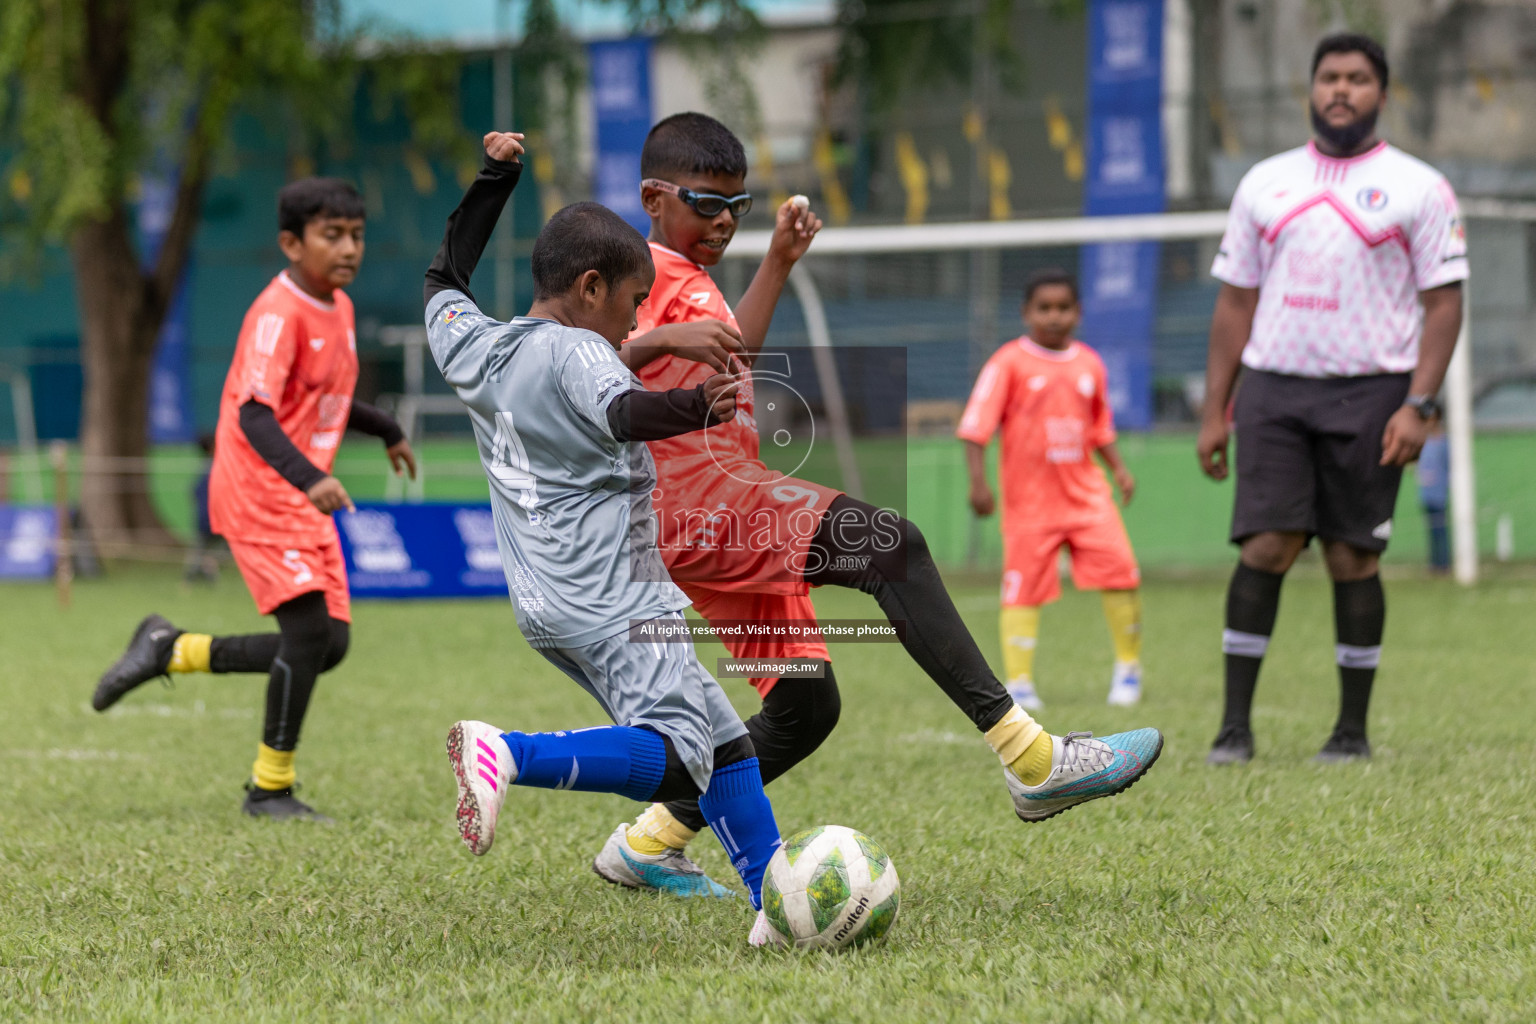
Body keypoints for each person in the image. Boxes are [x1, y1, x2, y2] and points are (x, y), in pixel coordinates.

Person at [588, 112, 1164, 898]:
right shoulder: (632, 268)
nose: (724, 221)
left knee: (803, 707)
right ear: (653, 196)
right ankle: (1031, 759)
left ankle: (649, 843)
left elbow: (732, 350)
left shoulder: (688, 271)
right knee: (890, 546)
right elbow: (566, 362)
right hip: (705, 502)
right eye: (705, 202)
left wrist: (780, 261)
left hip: (710, 517)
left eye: (738, 206)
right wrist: (659, 344)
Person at [424, 130, 789, 945]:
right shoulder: (580, 353)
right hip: (612, 595)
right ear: (591, 289)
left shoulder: (480, 345)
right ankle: (507, 751)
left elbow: (444, 277)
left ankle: (778, 903)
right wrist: (702, 405)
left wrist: (494, 180)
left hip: (545, 598)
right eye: (630, 302)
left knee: (723, 739)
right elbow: (624, 412)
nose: (633, 321)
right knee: (682, 756)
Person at [93, 177, 417, 821]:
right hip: (260, 491)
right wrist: (310, 478)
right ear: (291, 244)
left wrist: (385, 428)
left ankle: (170, 648)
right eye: (332, 235)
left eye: (355, 234)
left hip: (298, 493)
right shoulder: (278, 312)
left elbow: (320, 397)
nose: (349, 247)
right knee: (307, 635)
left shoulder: (339, 306)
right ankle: (269, 789)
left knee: (330, 646)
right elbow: (254, 414)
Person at [1197, 33, 1468, 764]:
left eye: (1356, 79)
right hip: (1274, 390)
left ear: (1382, 93)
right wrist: (1214, 408)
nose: (1340, 90)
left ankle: (1350, 732)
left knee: (1353, 558)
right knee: (1266, 545)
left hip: (1374, 393)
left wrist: (1419, 403)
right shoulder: (1266, 183)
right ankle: (1233, 728)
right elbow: (1235, 302)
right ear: (1310, 90)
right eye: (1328, 78)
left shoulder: (1420, 187)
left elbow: (1443, 303)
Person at [958, 269, 1144, 712]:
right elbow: (974, 427)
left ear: (1077, 313)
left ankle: (1129, 669)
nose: (1054, 316)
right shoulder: (1008, 362)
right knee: (1022, 591)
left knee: (1122, 574)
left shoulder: (1090, 364)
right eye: (1044, 308)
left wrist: (1118, 469)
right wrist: (979, 483)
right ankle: (1019, 683)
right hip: (1030, 506)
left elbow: (1100, 428)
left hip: (1088, 499)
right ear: (1026, 313)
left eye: (1063, 308)